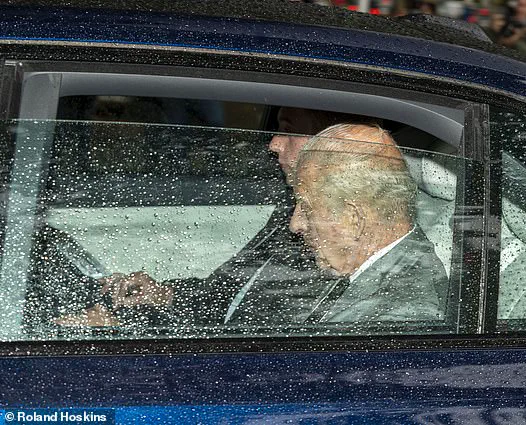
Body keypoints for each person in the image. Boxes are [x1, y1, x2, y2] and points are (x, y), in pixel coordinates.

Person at [55, 107, 380, 327]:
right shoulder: (291, 211)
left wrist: (123, 331)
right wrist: (162, 296)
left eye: (288, 131)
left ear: (335, 142)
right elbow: (228, 289)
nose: (273, 144)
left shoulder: (339, 234)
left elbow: (265, 338)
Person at [290, 124, 449, 322]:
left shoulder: (400, 314)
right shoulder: (380, 271)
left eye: (306, 208)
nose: (295, 224)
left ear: (353, 219)